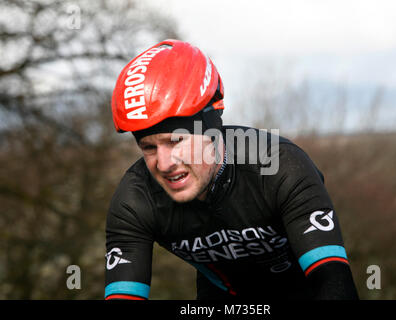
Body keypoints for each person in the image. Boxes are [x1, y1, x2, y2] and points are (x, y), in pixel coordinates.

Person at [105, 39, 359, 300]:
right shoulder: (135, 200)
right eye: (148, 147)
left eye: (176, 141)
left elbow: (333, 280)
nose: (165, 163)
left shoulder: (278, 166)